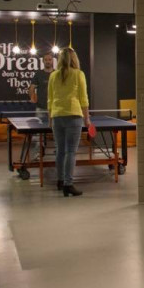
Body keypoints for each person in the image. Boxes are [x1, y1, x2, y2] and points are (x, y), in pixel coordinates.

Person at [47, 48, 91, 197]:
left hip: (57, 116)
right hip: (73, 115)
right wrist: (87, 118)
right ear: (74, 59)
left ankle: (60, 181)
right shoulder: (78, 74)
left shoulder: (53, 75)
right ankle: (68, 184)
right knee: (70, 152)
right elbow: (83, 98)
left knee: (60, 150)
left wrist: (50, 118)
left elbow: (50, 99)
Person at [29, 52, 54, 121]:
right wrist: (32, 98)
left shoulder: (56, 74)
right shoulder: (38, 74)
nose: (48, 61)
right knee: (38, 126)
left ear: (52, 61)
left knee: (54, 127)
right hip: (40, 107)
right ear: (43, 61)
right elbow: (32, 88)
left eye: (49, 59)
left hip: (54, 107)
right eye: (46, 60)